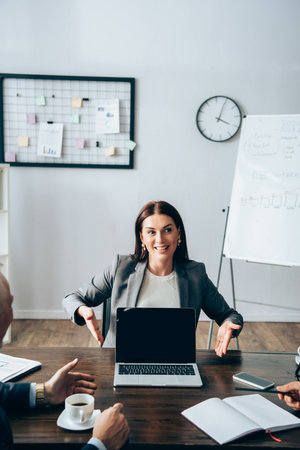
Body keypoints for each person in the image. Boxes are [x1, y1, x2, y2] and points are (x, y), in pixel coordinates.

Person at [63, 200, 243, 356]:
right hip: (118, 362)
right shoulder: (121, 268)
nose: (160, 239)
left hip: (175, 362)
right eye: (151, 232)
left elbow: (230, 315)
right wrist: (84, 310)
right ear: (141, 237)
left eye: (167, 230)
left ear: (178, 234)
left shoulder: (196, 275)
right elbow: (72, 298)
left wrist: (228, 324)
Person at [0, 272, 129, 450]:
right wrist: (100, 444)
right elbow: (72, 298)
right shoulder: (120, 268)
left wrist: (44, 392)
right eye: (10, 304)